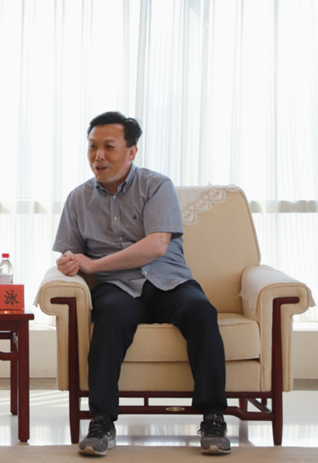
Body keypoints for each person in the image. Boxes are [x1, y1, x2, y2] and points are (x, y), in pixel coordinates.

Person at [53, 112, 230, 456]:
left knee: (201, 311)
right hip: (117, 288)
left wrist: (95, 264)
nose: (98, 156)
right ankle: (101, 423)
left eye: (109, 147)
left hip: (168, 280)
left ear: (131, 151)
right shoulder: (77, 199)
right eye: (92, 147)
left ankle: (213, 418)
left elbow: (156, 246)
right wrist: (70, 263)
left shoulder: (156, 185)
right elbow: (73, 255)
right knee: (109, 318)